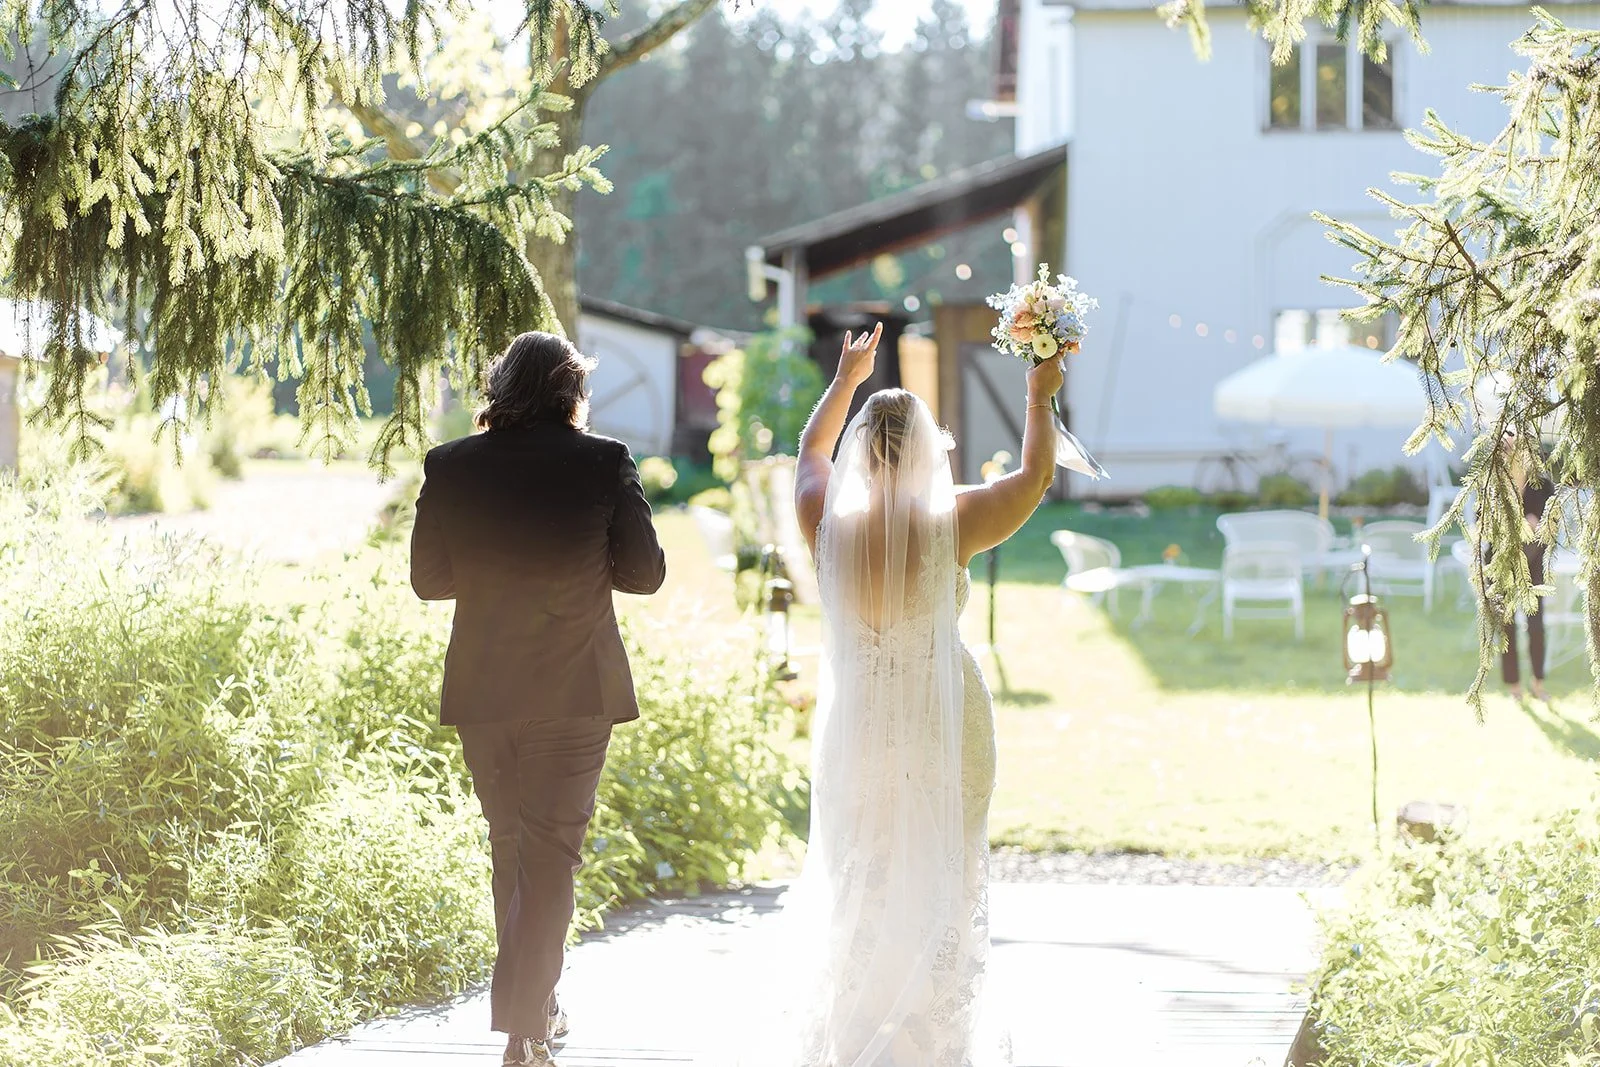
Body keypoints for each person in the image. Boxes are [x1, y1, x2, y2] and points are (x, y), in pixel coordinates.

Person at [746, 322, 1064, 1065]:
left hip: (858, 730)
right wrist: (1037, 396)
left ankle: (861, 1033)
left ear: (865, 447)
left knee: (864, 869)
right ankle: (932, 1039)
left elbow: (809, 453)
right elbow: (1035, 480)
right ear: (929, 451)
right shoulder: (952, 522)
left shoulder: (823, 520)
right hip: (944, 730)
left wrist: (845, 380)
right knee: (943, 876)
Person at [409, 331, 666, 1067]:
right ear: (570, 391)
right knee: (550, 855)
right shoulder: (603, 462)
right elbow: (645, 574)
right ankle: (528, 1026)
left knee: (513, 849)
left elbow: (429, 578)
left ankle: (535, 1014)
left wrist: (496, 572)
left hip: (486, 687)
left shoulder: (451, 465)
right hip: (575, 686)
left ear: (500, 386)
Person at [1488, 431, 1553, 702]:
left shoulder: (1543, 485)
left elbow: (1549, 520)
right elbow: (1484, 522)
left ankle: (1537, 682)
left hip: (1534, 562)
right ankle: (1514, 685)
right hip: (1500, 560)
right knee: (1506, 624)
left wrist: (1536, 522)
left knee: (1536, 624)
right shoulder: (1494, 485)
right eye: (1507, 447)